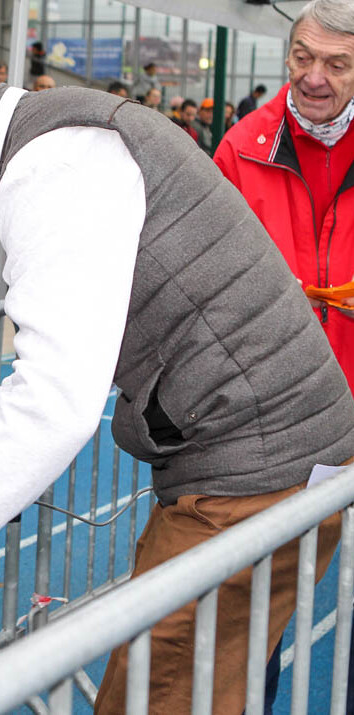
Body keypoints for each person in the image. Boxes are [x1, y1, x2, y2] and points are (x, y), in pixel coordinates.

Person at [0, 55, 354, 713]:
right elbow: (67, 360)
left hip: (255, 467)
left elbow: (55, 405)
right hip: (257, 457)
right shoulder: (50, 149)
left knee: (151, 695)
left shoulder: (53, 166)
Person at [215, 6, 354, 705]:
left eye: (337, 63)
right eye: (302, 57)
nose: (313, 77)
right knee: (249, 617)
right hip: (269, 425)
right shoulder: (240, 146)